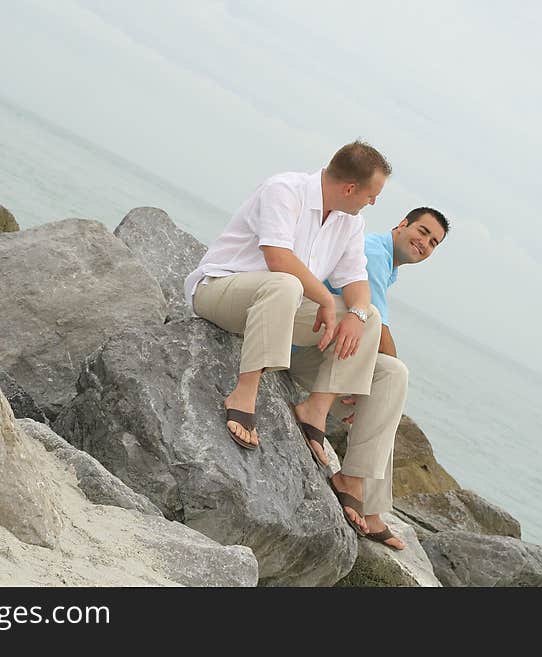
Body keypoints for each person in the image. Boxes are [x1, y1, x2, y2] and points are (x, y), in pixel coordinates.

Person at [183, 140, 391, 535]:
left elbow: (357, 283)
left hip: (281, 308)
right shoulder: (285, 190)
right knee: (284, 284)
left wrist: (357, 314)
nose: (372, 203)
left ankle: (316, 411)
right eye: (371, 195)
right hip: (221, 291)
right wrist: (325, 302)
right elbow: (278, 257)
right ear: (350, 188)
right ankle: (245, 393)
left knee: (369, 317)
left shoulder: (351, 222)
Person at [307, 206, 450, 549]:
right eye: (422, 231)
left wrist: (366, 384)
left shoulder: (388, 265)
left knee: (392, 381)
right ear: (402, 224)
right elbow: (378, 331)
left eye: (433, 243)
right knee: (389, 377)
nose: (425, 243)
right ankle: (354, 488)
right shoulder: (373, 251)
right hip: (312, 348)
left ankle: (368, 505)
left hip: (334, 353)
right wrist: (364, 384)